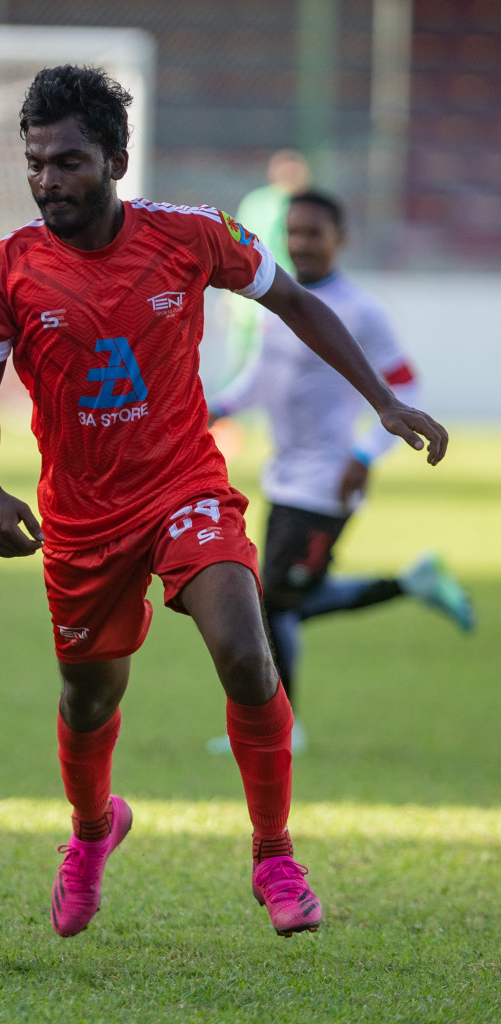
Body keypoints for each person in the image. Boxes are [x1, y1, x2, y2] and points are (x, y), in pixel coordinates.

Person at [0, 66, 448, 939]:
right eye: (35, 163)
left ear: (116, 158)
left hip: (184, 486)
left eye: (68, 161)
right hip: (80, 516)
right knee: (88, 698)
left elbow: (294, 299)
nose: (47, 181)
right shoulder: (8, 270)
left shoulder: (190, 236)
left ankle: (274, 855)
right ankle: (93, 830)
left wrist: (381, 400)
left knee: (247, 653)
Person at [206, 189, 473, 755]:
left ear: (339, 239)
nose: (301, 243)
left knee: (272, 600)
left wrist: (366, 454)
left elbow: (408, 386)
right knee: (283, 598)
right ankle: (410, 584)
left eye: (313, 233)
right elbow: (259, 378)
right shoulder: (279, 300)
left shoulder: (360, 311)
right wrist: (212, 410)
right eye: (293, 233)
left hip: (327, 484)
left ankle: (280, 729)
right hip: (284, 479)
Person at [221, 150, 312, 386]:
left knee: (242, 364)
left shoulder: (255, 200)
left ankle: (227, 416)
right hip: (275, 294)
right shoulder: (294, 205)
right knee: (264, 366)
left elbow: (235, 246)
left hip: (243, 296)